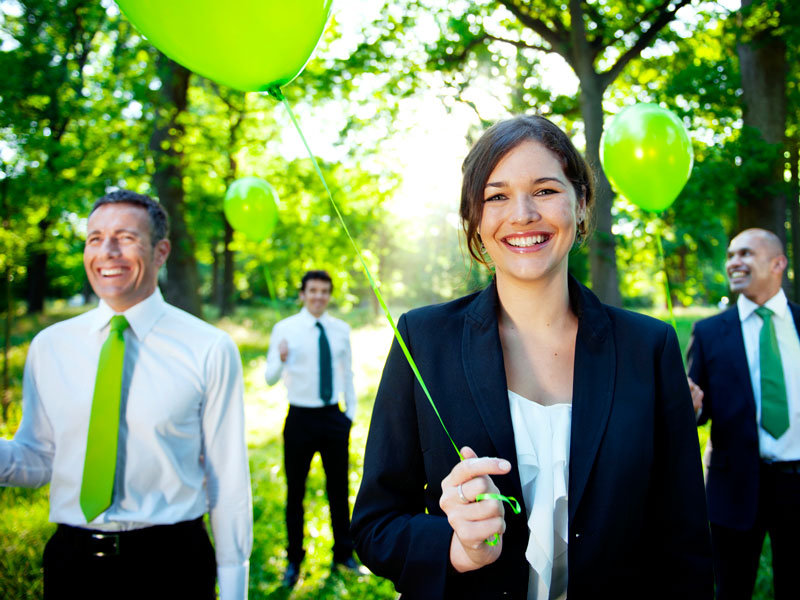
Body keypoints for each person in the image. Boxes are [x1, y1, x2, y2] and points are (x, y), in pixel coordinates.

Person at [351, 115, 713, 599]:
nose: (522, 214)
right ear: (475, 222)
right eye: (496, 196)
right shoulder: (423, 338)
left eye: (545, 190)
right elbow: (376, 525)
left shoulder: (650, 348)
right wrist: (455, 548)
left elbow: (685, 542)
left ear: (581, 205)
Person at [0, 190, 253, 600]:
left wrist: (236, 587)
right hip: (72, 564)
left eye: (126, 238)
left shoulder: (209, 347)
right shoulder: (49, 347)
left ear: (160, 251)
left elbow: (228, 477)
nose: (107, 251)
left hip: (172, 564)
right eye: (95, 238)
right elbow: (40, 458)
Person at [688, 228, 800, 600]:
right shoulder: (708, 333)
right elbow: (694, 414)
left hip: (797, 482)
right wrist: (692, 406)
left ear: (777, 263)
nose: (734, 262)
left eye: (746, 254)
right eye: (731, 255)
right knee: (731, 590)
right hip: (734, 486)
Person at [265, 270, 360, 587]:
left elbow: (347, 374)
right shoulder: (285, 328)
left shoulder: (340, 330)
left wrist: (350, 415)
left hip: (334, 418)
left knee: (338, 489)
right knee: (296, 492)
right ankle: (294, 559)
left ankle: (344, 554)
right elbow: (269, 377)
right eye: (313, 291)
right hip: (300, 419)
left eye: (324, 291)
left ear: (329, 295)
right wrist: (279, 359)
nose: (319, 296)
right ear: (302, 294)